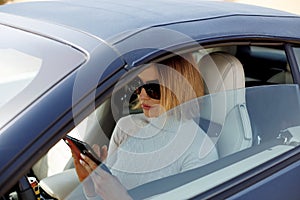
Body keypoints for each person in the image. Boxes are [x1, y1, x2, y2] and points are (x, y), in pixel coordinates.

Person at [71, 53, 219, 199]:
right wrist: (91, 186)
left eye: (151, 89)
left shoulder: (200, 151)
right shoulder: (126, 126)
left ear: (177, 89)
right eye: (138, 85)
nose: (141, 95)